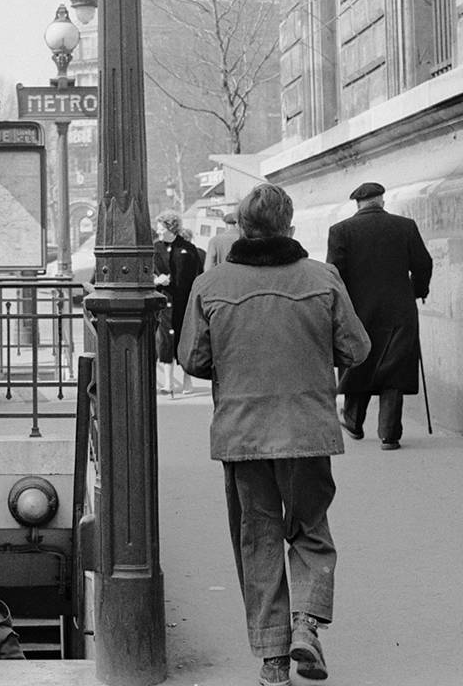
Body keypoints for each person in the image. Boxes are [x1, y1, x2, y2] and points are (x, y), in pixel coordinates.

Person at [178, 183, 370, 686]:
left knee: (257, 537)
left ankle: (272, 658)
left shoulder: (212, 284)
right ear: (288, 227)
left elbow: (193, 359)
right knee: (309, 528)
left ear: (242, 228)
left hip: (242, 434)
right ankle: (306, 622)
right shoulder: (321, 277)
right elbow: (356, 348)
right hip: (307, 428)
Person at [327, 182, 433, 451]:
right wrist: (417, 290)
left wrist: (336, 308)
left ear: (358, 204)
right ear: (382, 201)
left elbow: (334, 275)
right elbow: (423, 264)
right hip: (400, 310)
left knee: (358, 361)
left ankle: (353, 420)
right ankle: (390, 434)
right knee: (394, 367)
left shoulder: (340, 231)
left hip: (358, 311)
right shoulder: (405, 226)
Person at [153, 209, 201, 395]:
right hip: (164, 303)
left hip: (183, 302)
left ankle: (187, 381)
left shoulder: (188, 249)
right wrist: (157, 280)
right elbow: (147, 272)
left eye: (160, 227)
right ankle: (167, 383)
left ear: (170, 228)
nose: (158, 231)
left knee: (184, 340)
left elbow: (197, 274)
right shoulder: (155, 249)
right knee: (165, 341)